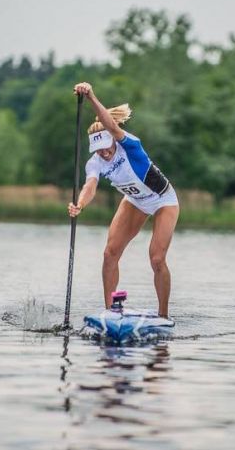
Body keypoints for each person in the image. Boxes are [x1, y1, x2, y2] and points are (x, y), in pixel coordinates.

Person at [68, 82, 179, 318]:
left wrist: (91, 97)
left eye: (106, 147)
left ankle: (163, 316)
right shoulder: (95, 162)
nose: (104, 153)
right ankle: (110, 312)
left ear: (113, 138)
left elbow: (107, 121)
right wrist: (80, 204)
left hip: (162, 199)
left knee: (157, 258)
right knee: (110, 254)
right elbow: (90, 186)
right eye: (98, 149)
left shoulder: (130, 145)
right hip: (135, 200)